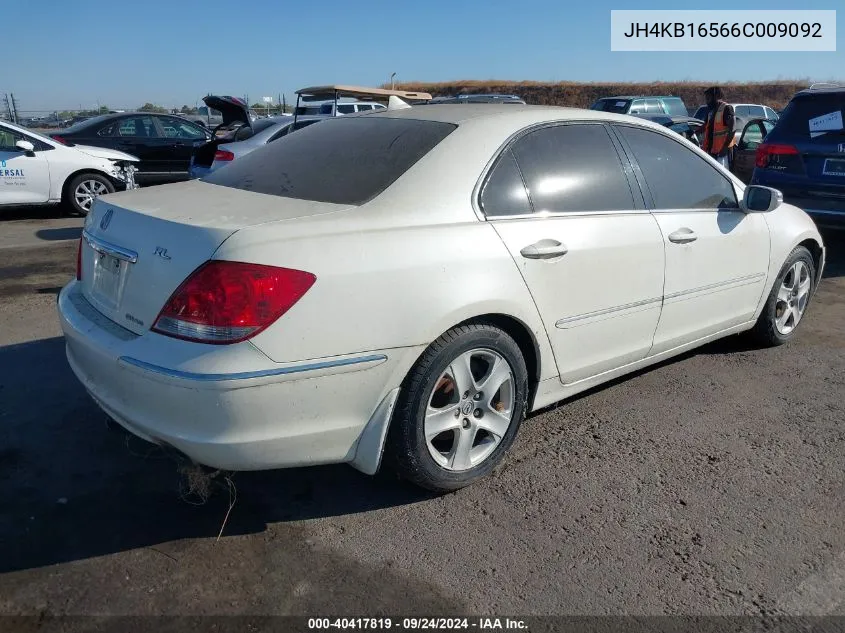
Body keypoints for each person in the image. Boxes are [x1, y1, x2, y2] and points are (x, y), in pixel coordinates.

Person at [701, 86, 736, 170]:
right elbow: (704, 128)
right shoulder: (711, 112)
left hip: (723, 153)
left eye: (708, 99)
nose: (707, 102)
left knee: (722, 179)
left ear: (715, 97)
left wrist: (724, 148)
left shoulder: (726, 108)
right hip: (712, 152)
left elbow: (733, 128)